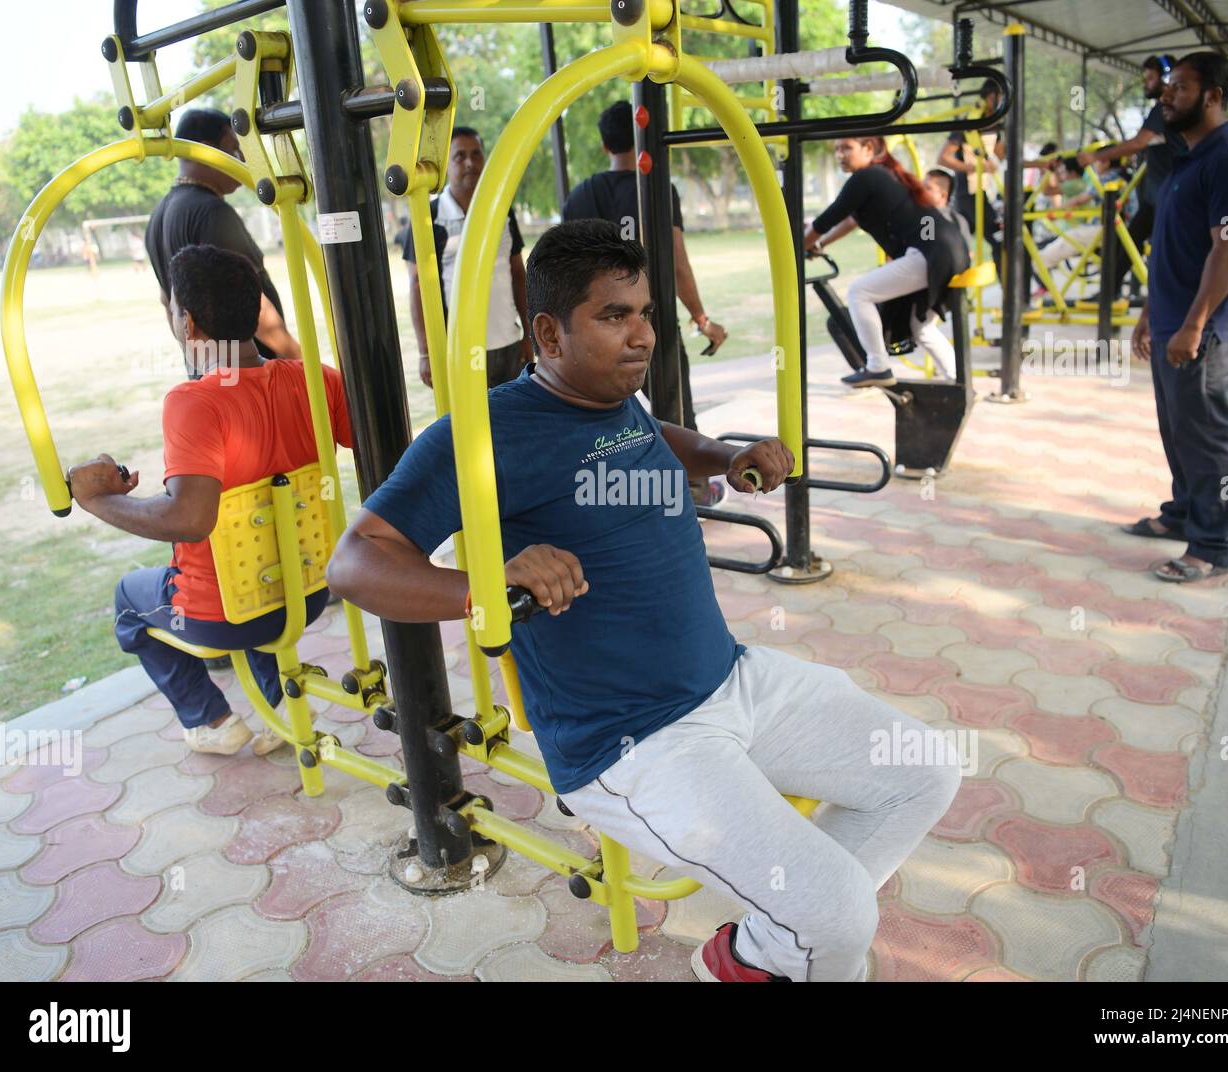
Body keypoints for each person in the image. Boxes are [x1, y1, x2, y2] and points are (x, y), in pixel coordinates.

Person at [325, 220, 960, 982]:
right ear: (549, 332)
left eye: (647, 313)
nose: (642, 336)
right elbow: (355, 563)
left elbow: (653, 436)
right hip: (637, 744)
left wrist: (727, 455)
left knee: (923, 769)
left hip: (732, 680)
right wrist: (483, 588)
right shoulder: (484, 434)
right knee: (836, 917)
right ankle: (808, 938)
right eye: (614, 316)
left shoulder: (612, 396)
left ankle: (761, 954)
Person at [66, 246, 353, 754]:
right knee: (262, 554)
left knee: (128, 602)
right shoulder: (314, 379)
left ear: (189, 324)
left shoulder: (194, 402)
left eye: (171, 309)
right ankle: (279, 703)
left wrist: (94, 501)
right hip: (308, 591)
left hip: (224, 613)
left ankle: (210, 721)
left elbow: (191, 518)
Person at [1127, 53, 1228, 584]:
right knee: (1177, 429)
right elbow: (1171, 247)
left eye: (1179, 88)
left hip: (1203, 330)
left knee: (1206, 435)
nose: (1165, 95)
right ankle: (1182, 512)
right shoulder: (1189, 156)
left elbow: (1227, 251)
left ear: (1213, 96)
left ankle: (1211, 545)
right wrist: (1149, 314)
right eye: (1167, 87)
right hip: (1171, 322)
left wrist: (1193, 324)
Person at [562, 100, 728, 506]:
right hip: (650, 323)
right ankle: (691, 493)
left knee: (603, 417)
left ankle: (612, 494)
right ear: (643, 137)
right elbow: (678, 263)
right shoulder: (658, 187)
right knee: (675, 411)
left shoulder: (582, 194)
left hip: (594, 332)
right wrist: (702, 319)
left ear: (604, 146)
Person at [804, 137, 970, 386]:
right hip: (949, 250)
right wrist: (820, 245)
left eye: (847, 148)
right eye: (837, 149)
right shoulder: (882, 176)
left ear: (868, 149)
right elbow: (850, 221)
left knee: (859, 292)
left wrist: (798, 248)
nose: (840, 154)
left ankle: (878, 367)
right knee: (921, 327)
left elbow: (825, 220)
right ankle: (959, 382)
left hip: (931, 251)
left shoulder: (866, 177)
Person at [146, 108, 302, 362]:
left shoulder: (159, 214)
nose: (240, 158)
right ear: (207, 150)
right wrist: (297, 358)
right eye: (232, 148)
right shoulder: (211, 212)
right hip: (249, 381)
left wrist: (200, 363)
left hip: (212, 376)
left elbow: (168, 302)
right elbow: (255, 304)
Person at [402, 126, 531, 390]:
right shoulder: (428, 217)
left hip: (508, 342)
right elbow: (417, 286)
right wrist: (426, 352)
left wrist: (529, 335)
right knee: (471, 430)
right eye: (460, 156)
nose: (470, 162)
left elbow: (518, 274)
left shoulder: (501, 210)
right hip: (459, 350)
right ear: (446, 164)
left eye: (476, 154)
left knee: (512, 426)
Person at [1078, 56, 1187, 297]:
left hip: (1167, 197)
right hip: (1156, 197)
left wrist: (1095, 156)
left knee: (1154, 252)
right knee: (1126, 247)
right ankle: (1109, 295)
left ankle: (1156, 300)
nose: (1145, 84)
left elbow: (1138, 143)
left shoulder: (1163, 110)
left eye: (1150, 79)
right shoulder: (1168, 112)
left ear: (1166, 79)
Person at [937, 80, 1005, 268]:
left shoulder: (994, 126)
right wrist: (976, 167)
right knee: (999, 240)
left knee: (967, 246)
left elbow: (1002, 156)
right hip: (968, 194)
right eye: (1001, 97)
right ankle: (1010, 294)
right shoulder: (969, 123)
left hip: (984, 192)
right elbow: (943, 158)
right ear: (991, 97)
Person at [1031, 156, 1106, 296]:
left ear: (1072, 173)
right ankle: (1046, 287)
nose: (1061, 174)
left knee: (1037, 256)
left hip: (1074, 232)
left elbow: (1047, 190)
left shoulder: (1075, 184)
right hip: (1074, 231)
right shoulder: (1081, 183)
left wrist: (1050, 171)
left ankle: (1046, 288)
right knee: (1039, 250)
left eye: (1063, 171)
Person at [922, 168, 973, 252]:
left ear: (943, 195)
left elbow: (925, 252)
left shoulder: (927, 219)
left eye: (928, 188)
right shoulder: (959, 220)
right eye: (922, 186)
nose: (922, 191)